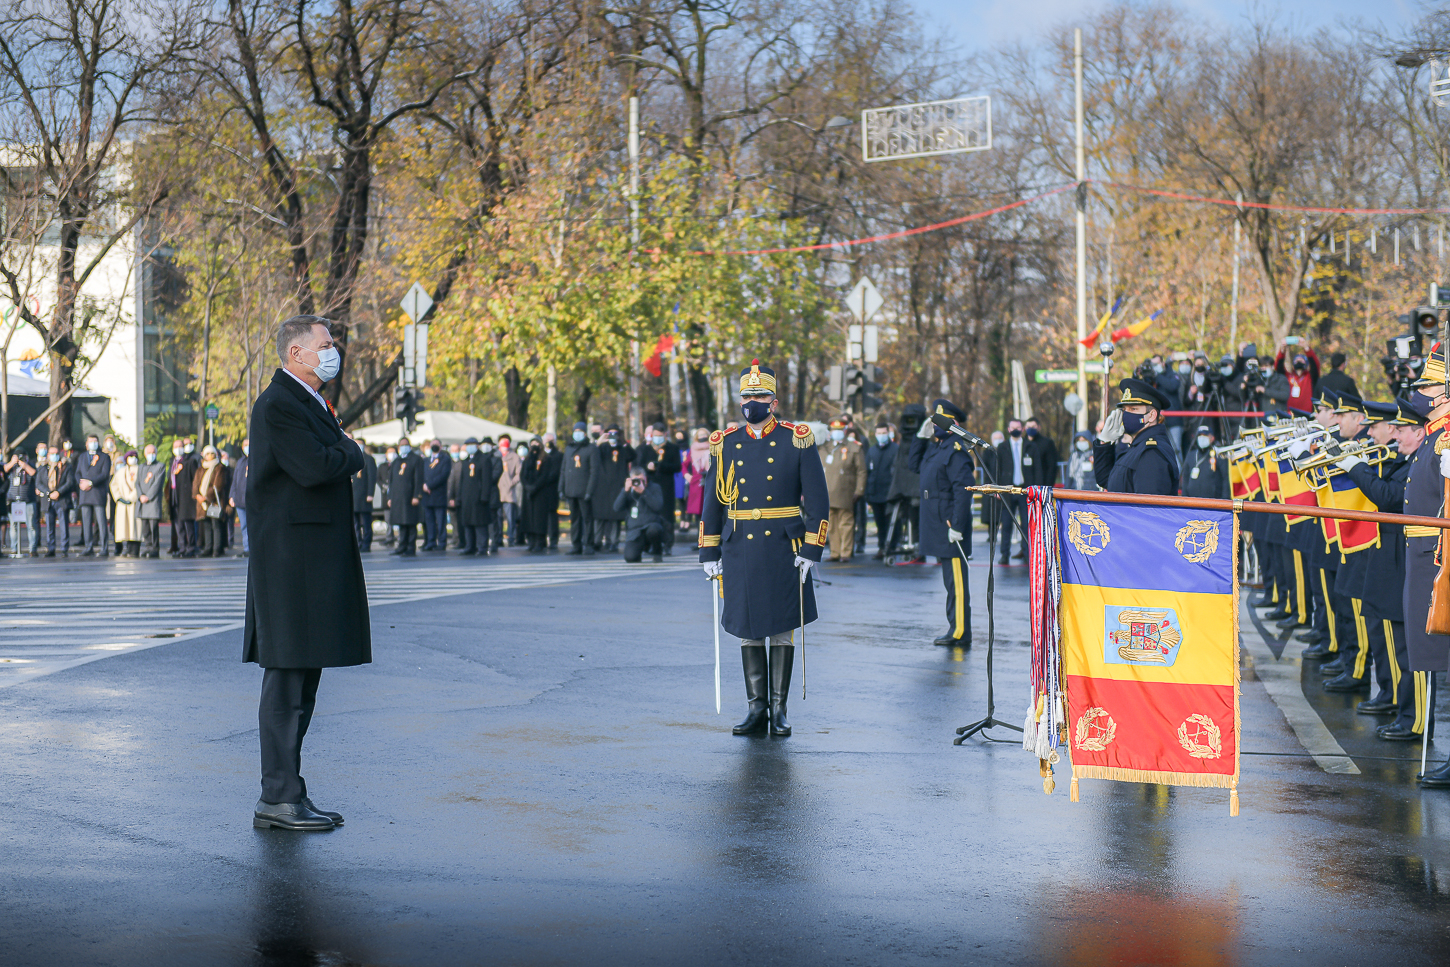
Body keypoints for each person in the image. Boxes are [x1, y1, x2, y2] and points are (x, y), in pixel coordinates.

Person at [244, 314, 369, 831]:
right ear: (297, 354)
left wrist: (340, 452)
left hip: (309, 562)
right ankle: (278, 796)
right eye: (325, 343)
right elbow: (316, 466)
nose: (332, 350)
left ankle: (289, 792)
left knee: (304, 683)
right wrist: (352, 451)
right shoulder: (279, 403)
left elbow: (324, 458)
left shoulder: (308, 399)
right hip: (290, 564)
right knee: (287, 682)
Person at [698, 361, 828, 737]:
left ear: (774, 400)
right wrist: (709, 551)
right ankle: (756, 709)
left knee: (782, 627)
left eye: (759, 396)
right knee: (748, 627)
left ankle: (779, 709)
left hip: (783, 546)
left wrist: (811, 548)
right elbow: (712, 501)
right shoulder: (727, 443)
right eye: (746, 396)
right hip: (740, 545)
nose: (752, 402)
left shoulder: (796, 438)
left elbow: (818, 501)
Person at [908, 399, 976, 647]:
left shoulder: (956, 452)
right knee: (949, 582)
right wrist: (920, 437)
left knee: (956, 582)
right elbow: (913, 465)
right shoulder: (936, 447)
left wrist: (958, 526)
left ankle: (959, 631)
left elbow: (963, 492)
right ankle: (954, 627)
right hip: (937, 523)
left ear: (952, 424)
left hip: (950, 525)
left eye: (938, 422)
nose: (933, 426)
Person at [1093, 379, 1179, 495]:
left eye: (1133, 409)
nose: (1127, 414)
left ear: (1152, 415)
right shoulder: (1137, 447)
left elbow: (1148, 507)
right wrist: (1105, 443)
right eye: (1125, 409)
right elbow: (1108, 480)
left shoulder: (1151, 453)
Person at [818, 415, 866, 562]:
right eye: (834, 429)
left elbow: (861, 471)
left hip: (846, 491)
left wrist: (859, 490)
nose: (836, 432)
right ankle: (835, 552)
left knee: (846, 523)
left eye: (839, 429)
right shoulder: (824, 447)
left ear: (845, 430)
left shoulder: (854, 447)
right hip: (827, 491)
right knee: (831, 524)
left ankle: (845, 552)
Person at [638, 422, 681, 554]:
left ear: (665, 435)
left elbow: (677, 467)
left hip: (666, 486)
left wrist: (661, 466)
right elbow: (639, 465)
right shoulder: (645, 449)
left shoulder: (672, 448)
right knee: (651, 515)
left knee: (667, 516)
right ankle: (651, 544)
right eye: (655, 435)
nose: (658, 438)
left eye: (660, 435)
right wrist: (648, 467)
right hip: (650, 485)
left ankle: (668, 544)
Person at [559, 421, 599, 556]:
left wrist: (589, 491)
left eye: (580, 431)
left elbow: (594, 471)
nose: (577, 434)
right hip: (571, 490)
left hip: (584, 490)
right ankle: (576, 544)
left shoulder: (591, 448)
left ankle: (589, 544)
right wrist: (561, 488)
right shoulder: (569, 448)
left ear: (585, 433)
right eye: (575, 431)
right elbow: (563, 470)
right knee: (574, 519)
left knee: (587, 519)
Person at [592, 425, 633, 553]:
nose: (613, 436)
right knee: (600, 515)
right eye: (610, 433)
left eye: (616, 433)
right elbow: (592, 454)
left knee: (615, 515)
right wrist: (598, 442)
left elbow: (632, 456)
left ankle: (613, 541)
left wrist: (624, 442)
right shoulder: (602, 447)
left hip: (617, 485)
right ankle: (597, 541)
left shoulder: (622, 447)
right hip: (602, 485)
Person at [994, 419, 1029, 562]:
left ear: (1022, 429)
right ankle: (1004, 554)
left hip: (1024, 490)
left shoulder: (1029, 446)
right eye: (1013, 427)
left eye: (1018, 427)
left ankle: (1027, 552)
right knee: (1006, 523)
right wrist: (997, 488)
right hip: (1007, 490)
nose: (1016, 429)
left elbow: (1037, 469)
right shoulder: (1002, 447)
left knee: (1026, 523)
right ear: (1008, 429)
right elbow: (997, 468)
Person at [616, 466, 666, 562]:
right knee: (630, 558)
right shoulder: (629, 491)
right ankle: (640, 549)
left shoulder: (654, 488)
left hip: (651, 525)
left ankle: (657, 551)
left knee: (654, 530)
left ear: (645, 478)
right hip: (635, 531)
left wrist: (644, 492)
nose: (639, 483)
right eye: (636, 480)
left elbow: (658, 507)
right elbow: (617, 508)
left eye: (642, 480)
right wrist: (625, 491)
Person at [386, 436, 425, 557]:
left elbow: (419, 479)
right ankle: (401, 545)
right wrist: (390, 497)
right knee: (401, 523)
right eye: (401, 445)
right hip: (398, 498)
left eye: (405, 445)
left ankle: (410, 547)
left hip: (410, 497)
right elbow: (391, 481)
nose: (404, 447)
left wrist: (416, 495)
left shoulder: (416, 459)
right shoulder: (396, 461)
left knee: (410, 523)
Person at [522, 437, 560, 552]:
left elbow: (545, 475)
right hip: (528, 493)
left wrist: (535, 486)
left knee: (539, 518)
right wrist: (527, 486)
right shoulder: (527, 459)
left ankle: (540, 541)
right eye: (532, 443)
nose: (534, 446)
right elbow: (523, 474)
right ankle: (531, 540)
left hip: (540, 493)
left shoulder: (546, 459)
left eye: (536, 444)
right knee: (529, 517)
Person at [865, 419, 897, 560]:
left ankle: (892, 546)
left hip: (890, 493)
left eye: (884, 433)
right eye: (879, 433)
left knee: (892, 522)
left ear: (888, 433)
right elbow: (868, 472)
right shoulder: (872, 450)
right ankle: (881, 547)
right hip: (875, 494)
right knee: (880, 523)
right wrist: (868, 493)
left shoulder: (895, 449)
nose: (881, 435)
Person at [76, 434, 111, 558]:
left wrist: (91, 482)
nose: (93, 444)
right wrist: (81, 483)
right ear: (86, 444)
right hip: (85, 494)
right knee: (86, 522)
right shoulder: (82, 457)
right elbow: (78, 473)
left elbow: (104, 474)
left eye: (95, 441)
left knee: (101, 521)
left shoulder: (104, 457)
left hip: (97, 493)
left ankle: (104, 547)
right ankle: (88, 546)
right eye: (91, 442)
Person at [39, 440, 75, 557]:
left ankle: (64, 549)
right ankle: (51, 548)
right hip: (48, 500)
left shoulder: (65, 467)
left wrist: (58, 492)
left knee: (64, 525)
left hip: (61, 499)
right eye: (51, 453)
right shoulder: (43, 467)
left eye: (56, 453)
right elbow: (38, 483)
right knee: (49, 526)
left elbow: (70, 482)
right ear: (48, 455)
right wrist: (48, 493)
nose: (54, 456)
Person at [193, 445, 227, 557]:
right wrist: (197, 495)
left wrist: (206, 497)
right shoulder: (200, 469)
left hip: (214, 502)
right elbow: (195, 485)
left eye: (212, 453)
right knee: (206, 526)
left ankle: (216, 549)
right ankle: (208, 548)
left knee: (215, 525)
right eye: (207, 454)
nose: (210, 456)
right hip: (202, 503)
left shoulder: (219, 468)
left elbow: (218, 485)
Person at [4, 446, 38, 557]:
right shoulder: (12, 467)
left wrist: (24, 465)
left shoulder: (30, 465)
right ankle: (14, 548)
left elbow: (34, 473)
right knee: (13, 526)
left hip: (28, 500)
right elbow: (4, 469)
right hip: (13, 501)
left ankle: (32, 549)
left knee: (31, 525)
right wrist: (12, 462)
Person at [168, 437, 198, 557]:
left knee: (188, 524)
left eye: (180, 446)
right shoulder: (173, 462)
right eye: (176, 447)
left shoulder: (189, 461)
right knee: (178, 524)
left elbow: (195, 480)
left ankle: (190, 547)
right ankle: (182, 547)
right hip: (175, 496)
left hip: (186, 497)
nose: (178, 449)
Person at [1179, 425, 1228, 498]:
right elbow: (1185, 479)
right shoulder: (1191, 455)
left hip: (1213, 502)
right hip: (1192, 502)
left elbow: (1225, 479)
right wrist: (1184, 499)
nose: (1202, 438)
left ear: (1212, 438)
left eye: (1205, 435)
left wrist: (1225, 501)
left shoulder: (1218, 455)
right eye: (1200, 435)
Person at [420, 441, 451, 552]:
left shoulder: (445, 459)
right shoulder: (426, 460)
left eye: (436, 444)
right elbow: (421, 474)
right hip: (427, 496)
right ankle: (431, 541)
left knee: (441, 521)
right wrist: (423, 485)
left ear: (440, 446)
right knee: (429, 521)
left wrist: (429, 485)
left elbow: (443, 475)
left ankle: (442, 542)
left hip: (438, 495)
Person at [108, 450, 141, 557]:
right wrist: (119, 498)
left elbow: (142, 485)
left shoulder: (141, 470)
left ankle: (134, 549)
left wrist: (131, 497)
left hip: (135, 503)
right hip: (122, 504)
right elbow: (113, 485)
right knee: (125, 527)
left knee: (135, 527)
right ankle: (127, 548)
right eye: (130, 456)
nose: (132, 458)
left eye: (134, 456)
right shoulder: (121, 471)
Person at [1274, 341, 1320, 415]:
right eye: (1296, 360)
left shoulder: (1310, 377)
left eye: (1301, 360)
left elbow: (1315, 364)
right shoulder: (1288, 376)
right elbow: (1278, 367)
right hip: (1290, 413)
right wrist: (1282, 351)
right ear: (1293, 364)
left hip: (1307, 414)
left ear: (1306, 364)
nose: (1299, 361)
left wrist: (1306, 348)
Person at [137, 443, 165, 559]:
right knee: (145, 527)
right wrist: (140, 496)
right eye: (149, 453)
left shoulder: (160, 466)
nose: (151, 455)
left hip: (152, 502)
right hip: (142, 502)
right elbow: (137, 483)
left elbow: (157, 484)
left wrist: (148, 496)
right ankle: (148, 547)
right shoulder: (141, 467)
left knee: (153, 527)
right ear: (145, 454)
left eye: (153, 452)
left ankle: (154, 548)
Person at [349, 438, 377, 552]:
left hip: (364, 495)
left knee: (366, 521)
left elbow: (372, 477)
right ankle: (357, 543)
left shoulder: (369, 459)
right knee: (354, 522)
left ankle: (366, 543)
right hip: (353, 494)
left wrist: (370, 493)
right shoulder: (351, 457)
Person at [497, 434, 522, 549]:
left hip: (509, 491)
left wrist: (512, 482)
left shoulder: (514, 457)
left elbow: (519, 473)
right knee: (497, 517)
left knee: (510, 517)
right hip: (497, 491)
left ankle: (511, 538)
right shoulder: (495, 455)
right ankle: (498, 538)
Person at [684, 427, 710, 535]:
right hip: (696, 484)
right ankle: (699, 540)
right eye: (700, 435)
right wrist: (687, 476)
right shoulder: (692, 450)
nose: (702, 437)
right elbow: (684, 465)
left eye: (705, 435)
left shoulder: (714, 447)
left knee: (710, 511)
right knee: (697, 513)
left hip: (710, 482)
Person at [230, 438, 251, 557]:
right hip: (239, 500)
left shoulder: (255, 460)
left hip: (251, 500)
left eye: (249, 444)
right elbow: (235, 480)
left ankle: (252, 549)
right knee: (243, 526)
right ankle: (247, 548)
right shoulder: (240, 462)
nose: (247, 447)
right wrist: (232, 496)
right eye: (245, 445)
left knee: (251, 526)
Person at [1022, 417, 1060, 485]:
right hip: (1024, 485)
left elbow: (1052, 466)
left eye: (1033, 426)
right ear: (1025, 428)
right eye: (1028, 426)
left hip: (1042, 483)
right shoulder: (1022, 443)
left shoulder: (1047, 443)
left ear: (1039, 427)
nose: (1031, 428)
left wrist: (1048, 484)